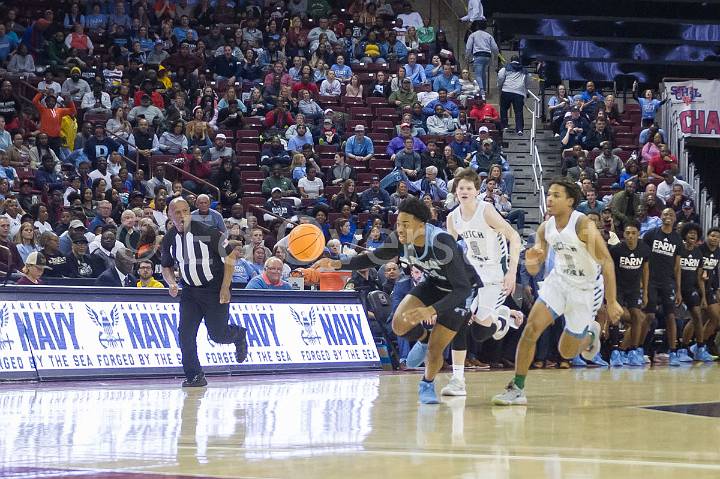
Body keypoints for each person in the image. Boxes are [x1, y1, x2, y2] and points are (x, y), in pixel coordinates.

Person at [313, 197, 479, 404]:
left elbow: (462, 288)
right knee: (399, 324)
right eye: (398, 223)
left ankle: (427, 383)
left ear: (422, 224)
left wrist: (431, 310)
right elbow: (373, 258)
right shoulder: (398, 240)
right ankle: (424, 338)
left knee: (437, 348)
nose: (400, 229)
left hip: (461, 291)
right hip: (435, 283)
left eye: (405, 224)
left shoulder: (441, 242)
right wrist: (337, 263)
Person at [492, 178, 623, 405]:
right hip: (559, 282)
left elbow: (607, 263)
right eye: (549, 194)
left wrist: (611, 302)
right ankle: (517, 388)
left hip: (585, 289)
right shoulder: (545, 228)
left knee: (567, 351)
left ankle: (590, 336)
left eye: (556, 195)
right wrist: (533, 261)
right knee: (531, 329)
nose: (550, 199)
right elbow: (534, 268)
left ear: (570, 201)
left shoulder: (582, 225)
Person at [440, 168, 522, 395]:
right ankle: (458, 380)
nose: (464, 191)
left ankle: (502, 318)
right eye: (461, 188)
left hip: (496, 274)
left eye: (469, 188)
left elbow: (514, 237)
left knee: (480, 332)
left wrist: (512, 272)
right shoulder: (452, 218)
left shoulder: (486, 211)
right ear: (455, 191)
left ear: (477, 191)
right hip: (473, 273)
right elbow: (450, 252)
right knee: (458, 320)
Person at [161, 197, 248, 388]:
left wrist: (225, 287)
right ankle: (195, 376)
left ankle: (239, 334)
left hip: (214, 289)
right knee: (185, 335)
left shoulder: (208, 232)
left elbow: (231, 256)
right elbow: (166, 266)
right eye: (178, 212)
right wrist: (171, 283)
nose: (182, 216)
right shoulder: (169, 239)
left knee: (218, 335)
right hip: (190, 292)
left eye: (185, 211)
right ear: (170, 215)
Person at [642, 208, 682, 366]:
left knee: (671, 316)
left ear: (674, 219)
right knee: (649, 316)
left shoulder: (677, 239)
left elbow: (677, 267)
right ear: (660, 216)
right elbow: (643, 259)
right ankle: (642, 350)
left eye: (671, 214)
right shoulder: (651, 234)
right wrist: (642, 283)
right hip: (651, 280)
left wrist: (678, 289)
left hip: (667, 282)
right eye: (665, 214)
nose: (668, 217)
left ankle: (672, 351)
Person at [608, 220, 650, 367]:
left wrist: (645, 292)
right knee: (615, 317)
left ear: (638, 234)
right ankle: (615, 352)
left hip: (633, 289)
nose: (630, 236)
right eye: (627, 233)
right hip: (618, 288)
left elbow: (645, 270)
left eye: (633, 233)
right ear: (623, 235)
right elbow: (608, 271)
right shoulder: (616, 250)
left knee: (637, 317)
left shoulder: (644, 249)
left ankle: (633, 350)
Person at [676, 222, 705, 363]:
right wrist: (677, 291)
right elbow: (677, 271)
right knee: (676, 319)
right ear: (685, 235)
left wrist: (703, 295)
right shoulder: (679, 249)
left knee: (697, 317)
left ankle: (699, 348)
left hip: (691, 289)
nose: (693, 235)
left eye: (695, 233)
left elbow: (700, 277)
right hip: (677, 288)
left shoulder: (698, 252)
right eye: (690, 233)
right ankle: (677, 350)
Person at [497, 56, 531, 136]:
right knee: (518, 112)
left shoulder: (505, 67)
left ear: (511, 60)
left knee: (503, 108)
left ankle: (504, 126)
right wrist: (525, 89)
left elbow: (500, 76)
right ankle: (519, 129)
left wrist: (500, 85)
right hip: (519, 92)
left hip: (507, 90)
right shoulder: (524, 70)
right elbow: (528, 80)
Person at [464, 20, 498, 98]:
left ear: (476, 26)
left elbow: (468, 47)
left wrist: (467, 57)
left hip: (478, 55)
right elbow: (495, 48)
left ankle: (481, 91)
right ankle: (484, 90)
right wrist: (495, 57)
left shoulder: (473, 35)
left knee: (478, 74)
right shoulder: (488, 35)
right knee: (483, 73)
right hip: (487, 56)